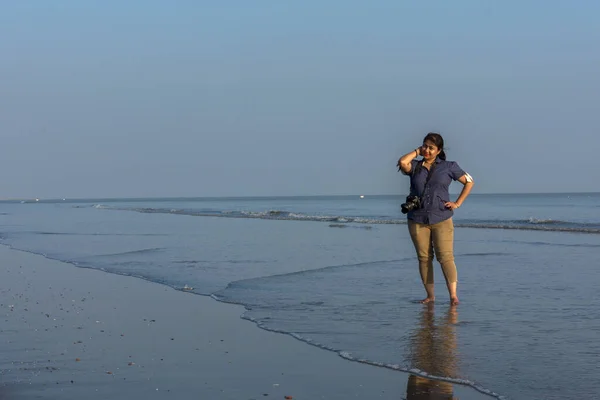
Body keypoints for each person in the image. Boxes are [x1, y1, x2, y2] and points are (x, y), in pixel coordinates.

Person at [397, 133, 474, 305]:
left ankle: (453, 296)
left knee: (445, 257)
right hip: (417, 218)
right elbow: (403, 162)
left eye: (431, 148)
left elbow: (469, 182)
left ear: (439, 150)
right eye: (425, 146)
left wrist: (457, 203)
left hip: (442, 218)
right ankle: (430, 296)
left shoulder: (449, 166)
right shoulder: (415, 166)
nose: (427, 150)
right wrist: (417, 151)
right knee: (424, 258)